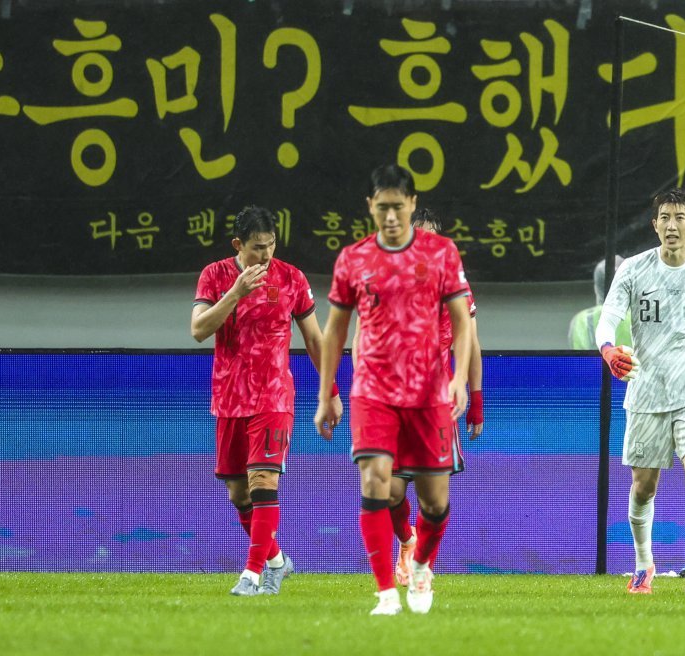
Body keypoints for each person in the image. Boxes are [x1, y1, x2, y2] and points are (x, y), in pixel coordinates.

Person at [316, 165, 473, 615]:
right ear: (370, 207)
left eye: (397, 206)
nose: (389, 215)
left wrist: (459, 380)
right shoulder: (353, 259)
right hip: (373, 389)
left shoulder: (442, 254)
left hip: (428, 392)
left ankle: (421, 563)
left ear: (410, 203)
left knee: (435, 503)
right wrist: (327, 392)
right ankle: (386, 592)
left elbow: (463, 322)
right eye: (381, 206)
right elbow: (334, 331)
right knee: (377, 484)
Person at [594, 189, 685, 596]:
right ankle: (643, 565)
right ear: (655, 225)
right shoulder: (633, 271)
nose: (672, 225)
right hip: (646, 391)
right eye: (665, 218)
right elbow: (607, 322)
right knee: (643, 486)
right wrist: (609, 349)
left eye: (680, 217)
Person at [191, 205, 327, 596]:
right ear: (238, 245)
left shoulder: (292, 279)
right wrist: (236, 292)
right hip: (229, 397)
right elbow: (199, 329)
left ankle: (252, 574)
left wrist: (329, 389)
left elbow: (315, 339)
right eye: (256, 248)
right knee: (239, 492)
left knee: (263, 480)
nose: (265, 255)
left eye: (270, 246)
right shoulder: (214, 276)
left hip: (273, 395)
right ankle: (278, 561)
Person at [387, 207, 482, 586]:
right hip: (393, 404)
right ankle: (408, 542)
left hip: (438, 407)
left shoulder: (454, 285)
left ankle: (422, 567)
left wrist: (476, 402)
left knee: (434, 501)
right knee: (389, 491)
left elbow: (472, 345)